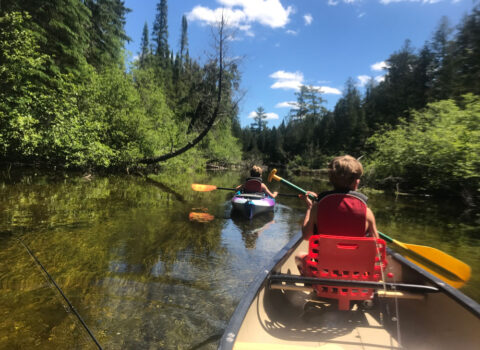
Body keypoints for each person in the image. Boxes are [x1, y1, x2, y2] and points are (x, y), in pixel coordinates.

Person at [296, 155, 378, 272]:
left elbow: (306, 236)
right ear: (356, 182)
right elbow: (376, 250)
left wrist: (310, 208)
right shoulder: (367, 212)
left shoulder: (317, 208)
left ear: (331, 180)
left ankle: (314, 285)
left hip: (324, 273)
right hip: (356, 274)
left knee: (299, 256)